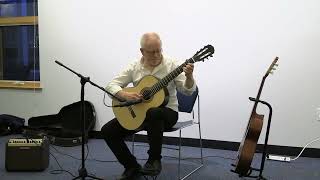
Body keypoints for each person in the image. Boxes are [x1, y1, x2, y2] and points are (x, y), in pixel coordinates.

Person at [101, 32, 197, 180]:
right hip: (141, 114)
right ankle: (132, 166)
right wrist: (124, 95)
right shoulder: (135, 66)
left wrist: (189, 76)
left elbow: (188, 91)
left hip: (167, 113)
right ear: (142, 51)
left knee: (154, 112)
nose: (157, 55)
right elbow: (111, 85)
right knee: (107, 131)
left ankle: (154, 160)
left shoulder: (172, 65)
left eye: (159, 50)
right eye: (152, 52)